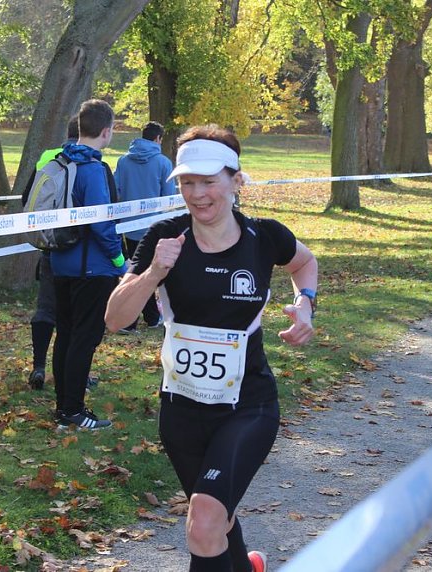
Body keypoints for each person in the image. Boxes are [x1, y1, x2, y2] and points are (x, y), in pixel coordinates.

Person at [105, 125, 318, 572]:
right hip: (182, 409)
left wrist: (305, 303)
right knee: (217, 519)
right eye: (187, 182)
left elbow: (304, 262)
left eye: (208, 182)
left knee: (203, 522)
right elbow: (115, 319)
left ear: (236, 180)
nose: (197, 194)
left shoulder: (266, 237)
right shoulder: (166, 236)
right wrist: (152, 274)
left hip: (248, 405)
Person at [50, 99, 125, 429]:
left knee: (65, 335)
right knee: (83, 339)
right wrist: (120, 260)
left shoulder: (61, 161)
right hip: (91, 269)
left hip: (60, 263)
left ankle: (63, 408)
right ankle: (74, 410)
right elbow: (101, 223)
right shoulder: (93, 170)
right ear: (106, 132)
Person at [25, 115, 79, 390]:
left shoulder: (48, 158)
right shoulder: (93, 162)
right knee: (74, 316)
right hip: (80, 252)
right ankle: (72, 371)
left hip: (49, 246)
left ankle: (38, 366)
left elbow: (27, 199)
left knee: (46, 308)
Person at [113, 121, 177, 333]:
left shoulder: (123, 161)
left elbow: (117, 191)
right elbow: (168, 198)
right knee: (147, 274)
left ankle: (149, 316)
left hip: (129, 227)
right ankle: (144, 317)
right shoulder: (163, 163)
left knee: (135, 271)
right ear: (158, 139)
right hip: (153, 227)